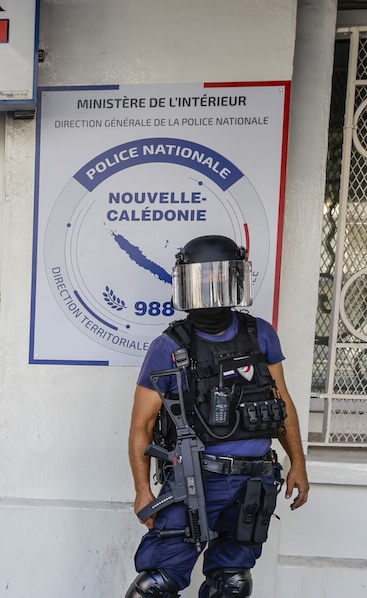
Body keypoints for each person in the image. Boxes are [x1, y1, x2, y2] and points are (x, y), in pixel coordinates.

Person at [126, 235, 309, 598]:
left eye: (219, 278)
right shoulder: (169, 346)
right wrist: (142, 489)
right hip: (197, 479)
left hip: (254, 480)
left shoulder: (260, 334)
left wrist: (298, 462)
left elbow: (282, 400)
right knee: (156, 585)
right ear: (187, 283)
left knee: (232, 582)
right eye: (201, 279)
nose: (210, 287)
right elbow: (141, 426)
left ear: (235, 279)